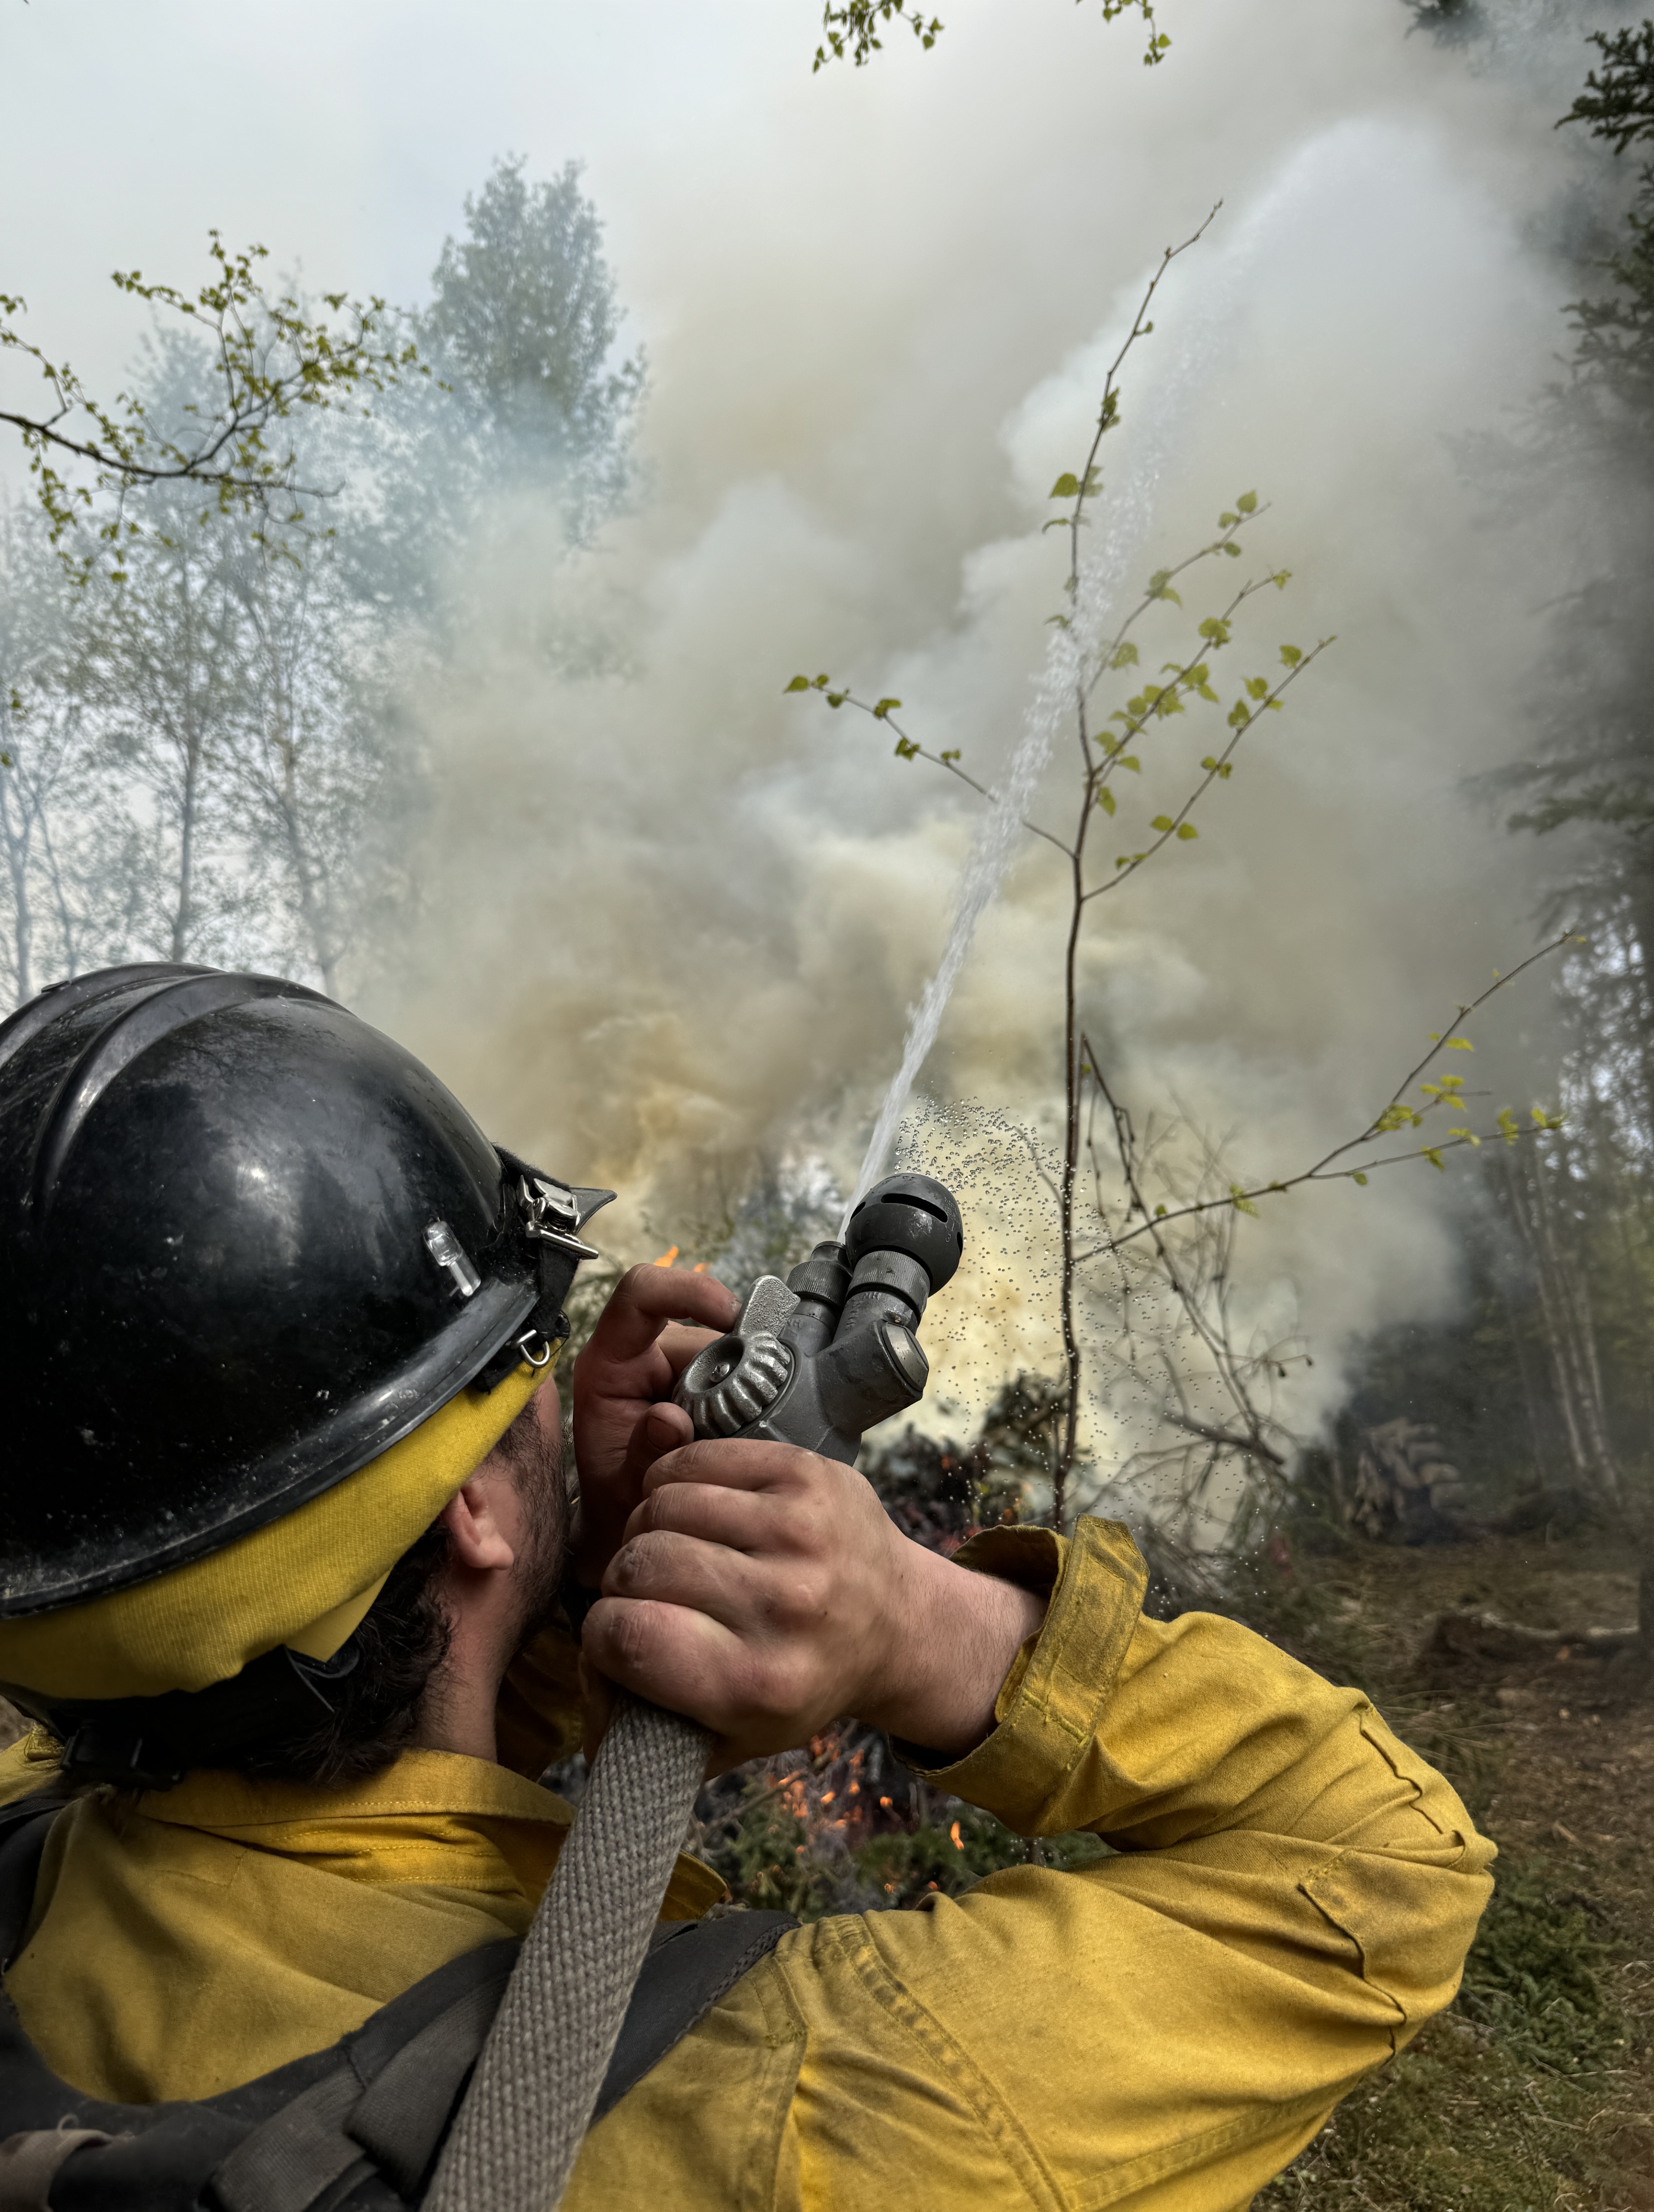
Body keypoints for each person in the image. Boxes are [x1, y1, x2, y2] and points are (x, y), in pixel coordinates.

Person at [0, 963, 1494, 2210]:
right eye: (527, 1354)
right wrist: (929, 1630)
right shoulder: (802, 2102)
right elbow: (1388, 1877)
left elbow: (291, 1707)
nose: (554, 1378)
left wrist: (555, 1583)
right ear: (466, 1509)